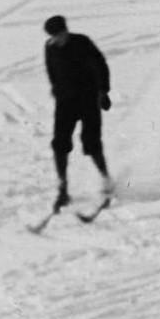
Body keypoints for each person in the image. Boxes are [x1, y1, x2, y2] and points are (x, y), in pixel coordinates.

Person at [44, 15, 113, 212]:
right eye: (53, 36)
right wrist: (56, 89)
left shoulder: (81, 42)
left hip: (88, 99)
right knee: (60, 143)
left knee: (91, 141)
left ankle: (106, 179)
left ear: (66, 31)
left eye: (59, 35)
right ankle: (63, 188)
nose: (56, 39)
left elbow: (100, 65)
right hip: (65, 102)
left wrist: (103, 92)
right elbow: (51, 71)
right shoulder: (49, 47)